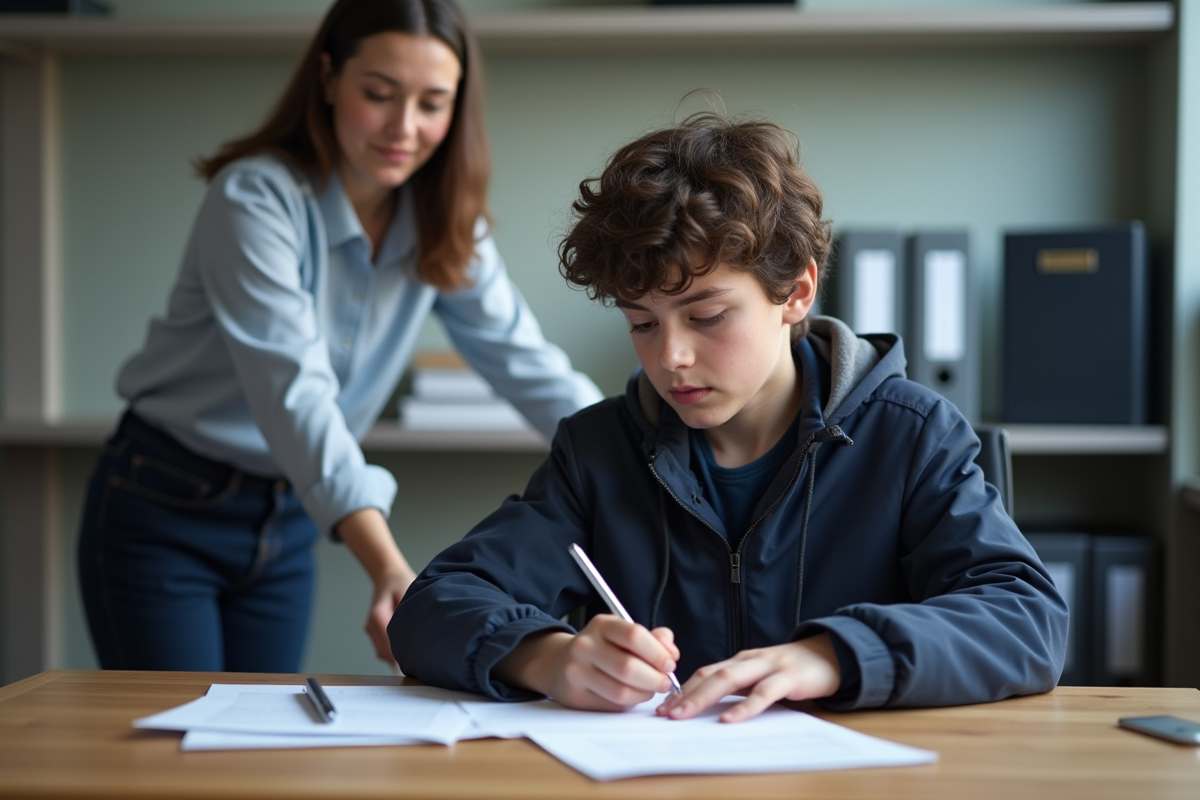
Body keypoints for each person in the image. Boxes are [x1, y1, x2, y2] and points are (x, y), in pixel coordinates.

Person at [390, 111, 1068, 721]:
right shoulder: (597, 451)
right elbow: (431, 605)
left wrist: (834, 656)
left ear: (796, 291)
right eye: (641, 324)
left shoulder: (911, 434)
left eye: (707, 317)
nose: (672, 357)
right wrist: (545, 658)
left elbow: (1027, 620)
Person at [76, 0, 602, 674]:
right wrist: (390, 570)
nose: (403, 128)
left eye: (433, 103)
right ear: (328, 79)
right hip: (167, 504)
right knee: (172, 756)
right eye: (379, 94)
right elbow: (295, 396)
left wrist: (639, 461)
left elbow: (529, 369)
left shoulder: (444, 224)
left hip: (291, 518)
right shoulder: (256, 200)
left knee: (260, 753)